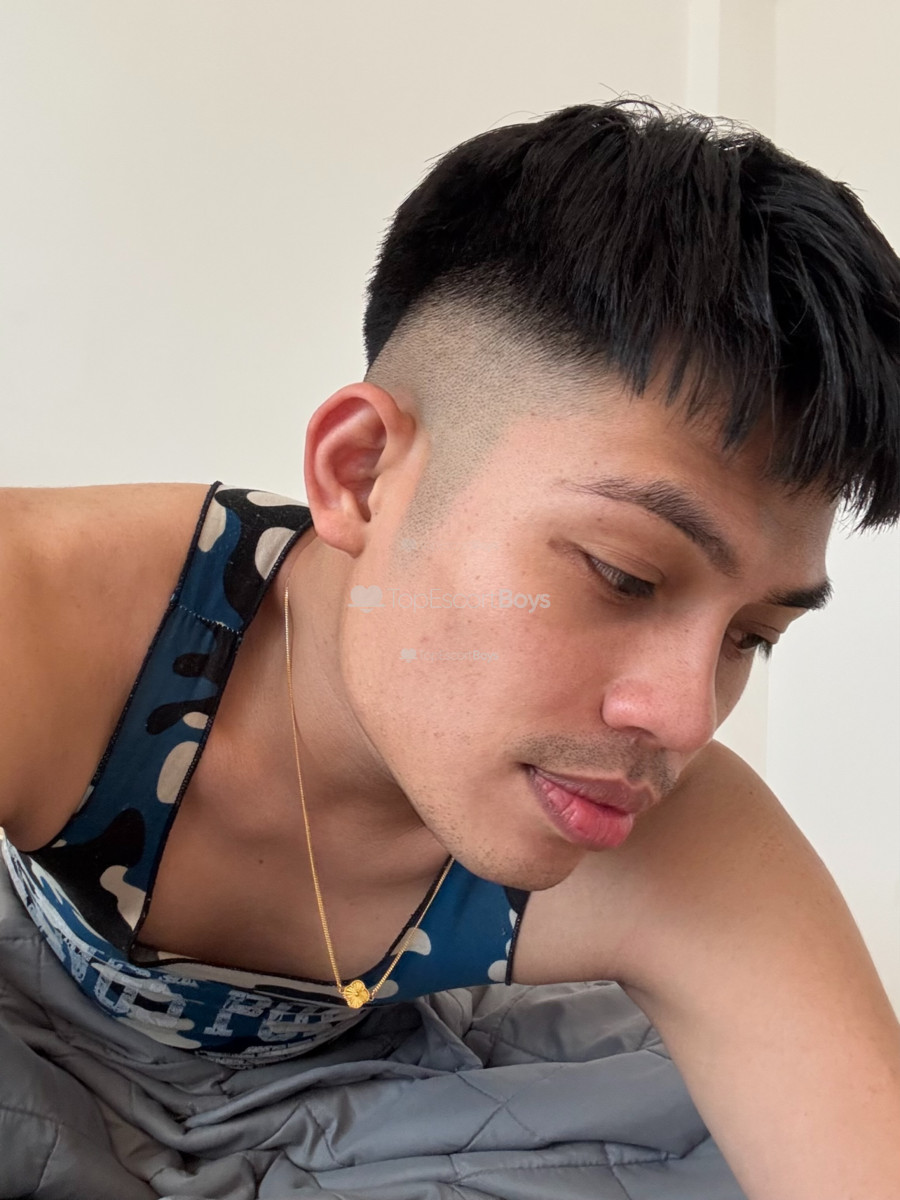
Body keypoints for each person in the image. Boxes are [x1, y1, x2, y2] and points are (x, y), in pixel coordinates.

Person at [2, 100, 899, 1198]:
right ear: (361, 473)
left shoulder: (683, 840)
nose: (684, 718)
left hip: (372, 1099)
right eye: (623, 574)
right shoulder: (44, 612)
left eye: (752, 637)